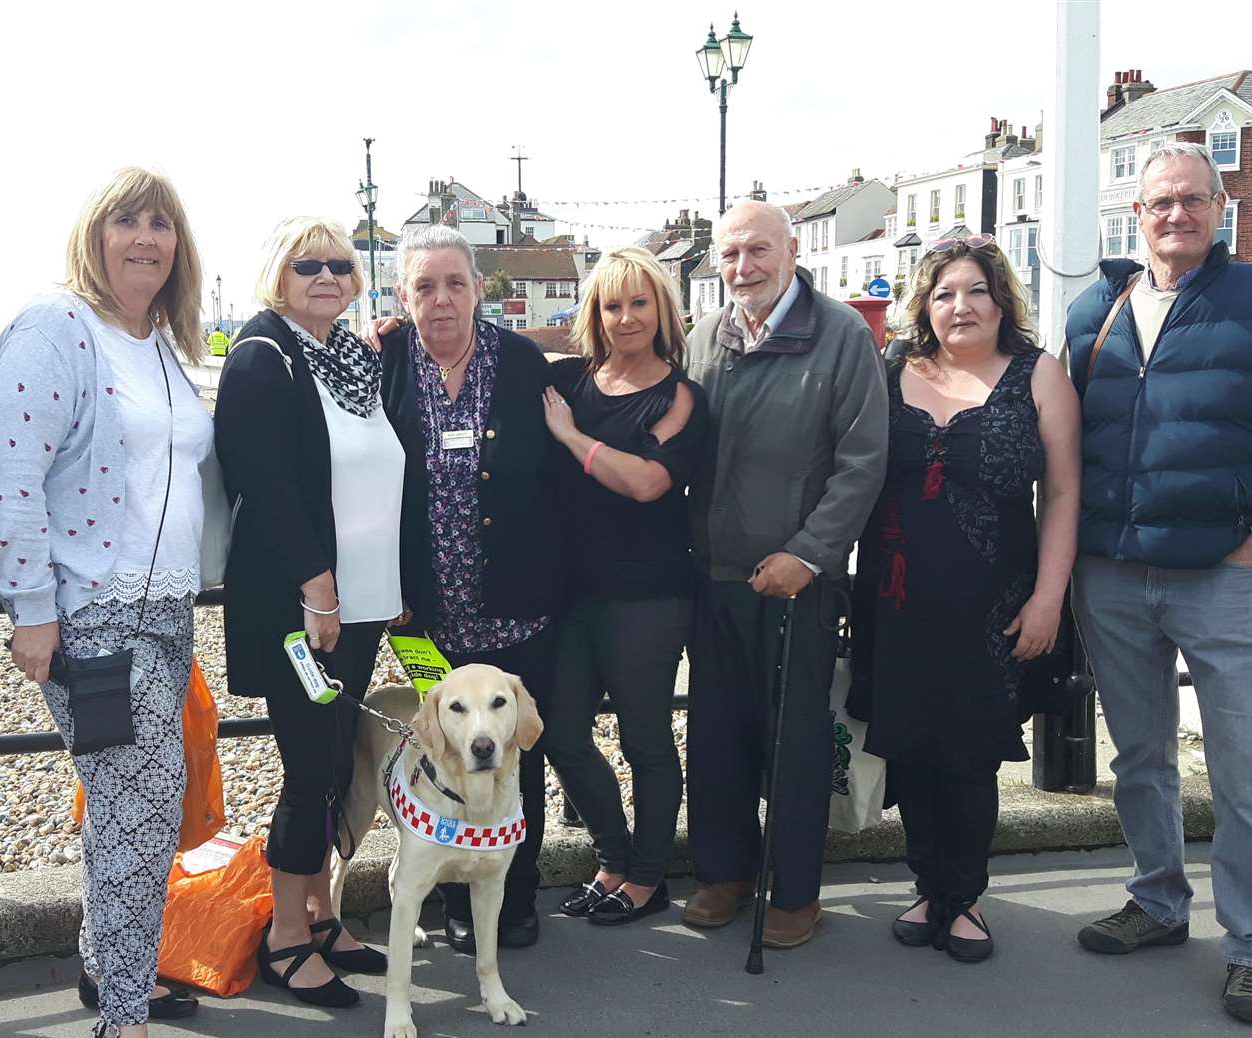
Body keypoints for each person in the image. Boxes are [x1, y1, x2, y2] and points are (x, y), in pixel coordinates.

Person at [1063, 142, 1252, 1024]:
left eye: (1194, 199)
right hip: (1111, 573)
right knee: (1140, 758)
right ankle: (1156, 900)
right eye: (1161, 202)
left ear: (1222, 208)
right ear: (1137, 214)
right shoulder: (1095, 310)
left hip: (1222, 577)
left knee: (1245, 769)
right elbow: (1063, 440)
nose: (1176, 214)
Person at [0, 167, 211, 1038]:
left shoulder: (160, 343)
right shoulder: (56, 330)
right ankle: (124, 1022)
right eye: (128, 220)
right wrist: (32, 613)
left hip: (168, 611)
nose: (146, 238)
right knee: (143, 812)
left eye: (162, 223)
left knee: (125, 809)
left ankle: (103, 963)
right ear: (95, 232)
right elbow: (12, 478)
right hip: (95, 617)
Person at [851, 235, 1080, 962]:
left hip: (996, 606)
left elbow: (1066, 493)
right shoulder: (891, 373)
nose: (961, 306)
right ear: (926, 304)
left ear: (1001, 298)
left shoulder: (1038, 376)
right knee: (912, 748)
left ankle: (967, 897)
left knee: (971, 753)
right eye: (945, 293)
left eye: (976, 290)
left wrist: (1049, 598)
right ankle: (928, 886)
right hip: (897, 600)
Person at [680, 201, 888, 949]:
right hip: (716, 574)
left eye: (758, 251)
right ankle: (724, 873)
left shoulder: (840, 338)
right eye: (731, 254)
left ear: (792, 250)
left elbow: (863, 462)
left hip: (798, 579)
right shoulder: (707, 336)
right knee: (715, 732)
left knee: (793, 740)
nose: (744, 268)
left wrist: (807, 554)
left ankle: (796, 890)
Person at [214, 217, 401, 1008]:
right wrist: (317, 592)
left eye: (339, 265)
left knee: (334, 763)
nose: (326, 276)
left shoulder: (352, 358)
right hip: (308, 607)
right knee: (309, 769)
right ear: (276, 274)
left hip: (362, 603)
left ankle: (322, 913)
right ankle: (286, 936)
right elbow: (269, 489)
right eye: (306, 265)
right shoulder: (264, 357)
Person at [379, 225, 559, 952]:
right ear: (402, 297)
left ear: (480, 289)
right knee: (442, 754)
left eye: (456, 283)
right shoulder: (385, 359)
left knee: (515, 752)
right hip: (424, 614)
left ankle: (512, 894)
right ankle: (451, 893)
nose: (442, 299)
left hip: (516, 606)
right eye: (425, 286)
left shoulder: (520, 362)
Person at [537, 246, 706, 926]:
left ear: (661, 309)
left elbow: (646, 482)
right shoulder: (574, 379)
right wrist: (396, 336)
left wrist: (572, 439)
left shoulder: (680, 396)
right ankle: (612, 857)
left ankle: (645, 876)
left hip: (649, 596)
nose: (626, 317)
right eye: (613, 305)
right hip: (573, 594)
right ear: (595, 314)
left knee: (645, 738)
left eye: (640, 302)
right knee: (561, 734)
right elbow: (492, 358)